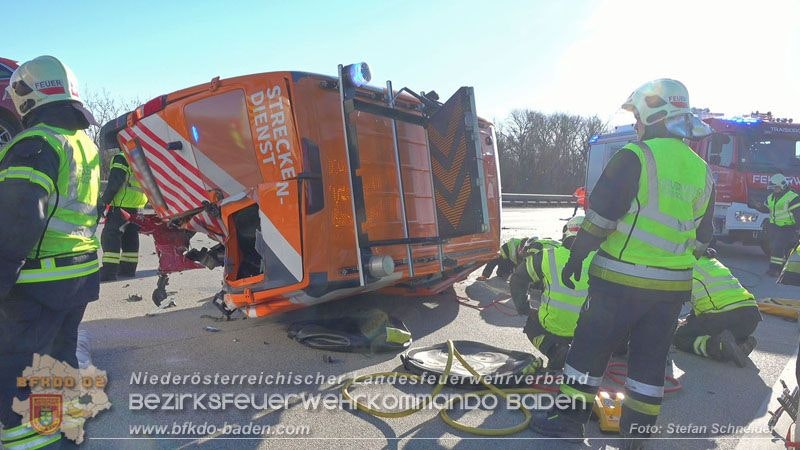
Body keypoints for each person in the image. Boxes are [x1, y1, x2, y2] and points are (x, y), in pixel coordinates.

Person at [530, 78, 715, 447]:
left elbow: (600, 217)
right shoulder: (701, 169)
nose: (635, 125)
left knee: (588, 349)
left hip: (619, 281)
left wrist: (577, 256)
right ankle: (637, 434)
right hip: (671, 290)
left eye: (638, 118)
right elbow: (704, 236)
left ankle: (568, 420)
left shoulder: (635, 156)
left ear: (652, 114)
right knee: (649, 363)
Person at [0, 56, 100, 449]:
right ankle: (60, 429)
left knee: (19, 370)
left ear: (27, 95)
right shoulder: (84, 143)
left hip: (38, 281)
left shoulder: (36, 142)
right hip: (78, 274)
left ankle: (34, 441)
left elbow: (18, 217)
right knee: (56, 363)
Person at [509, 216, 594, 373]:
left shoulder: (546, 256)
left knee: (531, 326)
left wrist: (523, 306)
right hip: (588, 332)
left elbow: (518, 279)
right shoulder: (601, 259)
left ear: (565, 233)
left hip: (554, 327)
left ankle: (555, 350)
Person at [673, 249, 761, 367]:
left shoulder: (681, 266)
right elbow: (706, 299)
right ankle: (741, 343)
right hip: (751, 317)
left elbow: (669, 307)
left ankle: (719, 347)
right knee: (722, 331)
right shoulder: (710, 261)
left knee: (680, 337)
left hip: (724, 317)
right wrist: (690, 320)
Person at [98, 150, 148, 281]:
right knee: (130, 236)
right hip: (138, 205)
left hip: (122, 204)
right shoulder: (142, 156)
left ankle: (109, 271)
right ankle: (128, 268)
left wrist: (104, 201)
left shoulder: (122, 157)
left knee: (110, 235)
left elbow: (115, 181)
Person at [757, 174, 800, 276]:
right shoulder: (771, 197)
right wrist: (756, 206)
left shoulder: (792, 197)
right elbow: (766, 209)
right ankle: (782, 269)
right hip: (774, 227)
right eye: (773, 188)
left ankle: (774, 270)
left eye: (776, 187)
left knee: (778, 247)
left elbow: (798, 214)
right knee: (776, 248)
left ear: (783, 186)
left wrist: (798, 228)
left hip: (787, 227)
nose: (774, 190)